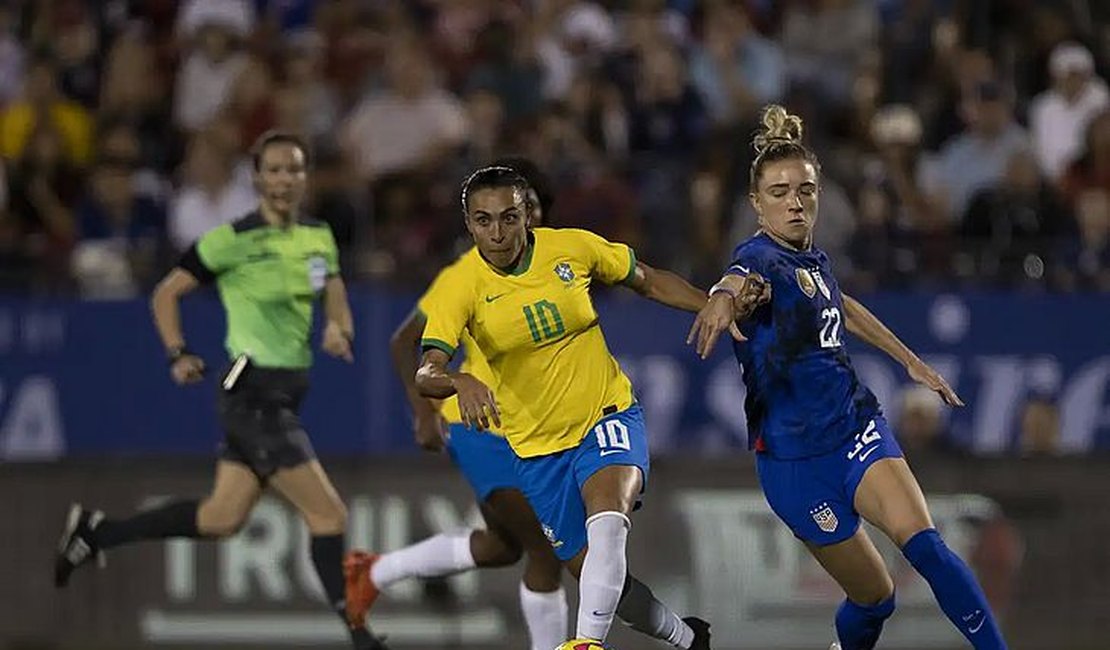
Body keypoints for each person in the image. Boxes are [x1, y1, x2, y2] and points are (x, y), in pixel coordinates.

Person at [687, 105, 1008, 650]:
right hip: (794, 464)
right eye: (780, 191)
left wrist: (908, 359)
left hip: (856, 428)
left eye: (805, 190)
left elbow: (844, 305)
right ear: (756, 203)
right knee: (874, 599)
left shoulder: (813, 259)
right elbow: (742, 280)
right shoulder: (760, 258)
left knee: (927, 547)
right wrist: (722, 296)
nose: (795, 201)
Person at [52, 131, 390, 650]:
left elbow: (334, 287)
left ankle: (95, 533)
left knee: (221, 518)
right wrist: (177, 353)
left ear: (304, 178)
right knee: (329, 515)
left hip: (283, 397)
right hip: (252, 396)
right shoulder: (230, 239)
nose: (284, 180)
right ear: (256, 178)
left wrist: (337, 325)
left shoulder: (317, 237)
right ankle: (359, 634)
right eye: (273, 170)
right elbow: (166, 293)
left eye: (293, 170)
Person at [412, 166, 752, 648]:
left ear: (527, 215)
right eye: (484, 221)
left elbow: (648, 279)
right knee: (604, 583)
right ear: (469, 225)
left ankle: (586, 644)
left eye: (509, 218)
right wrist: (458, 378)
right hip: (536, 452)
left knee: (609, 516)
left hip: (605, 414)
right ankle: (687, 638)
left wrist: (713, 304)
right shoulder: (460, 287)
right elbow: (426, 372)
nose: (498, 233)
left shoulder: (571, 247)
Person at [344, 157, 568, 650]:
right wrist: (423, 410)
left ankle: (374, 571)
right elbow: (405, 341)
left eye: (523, 211)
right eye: (500, 213)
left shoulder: (559, 264)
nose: (509, 225)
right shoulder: (470, 270)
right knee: (547, 549)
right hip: (480, 427)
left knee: (501, 546)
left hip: (532, 432)